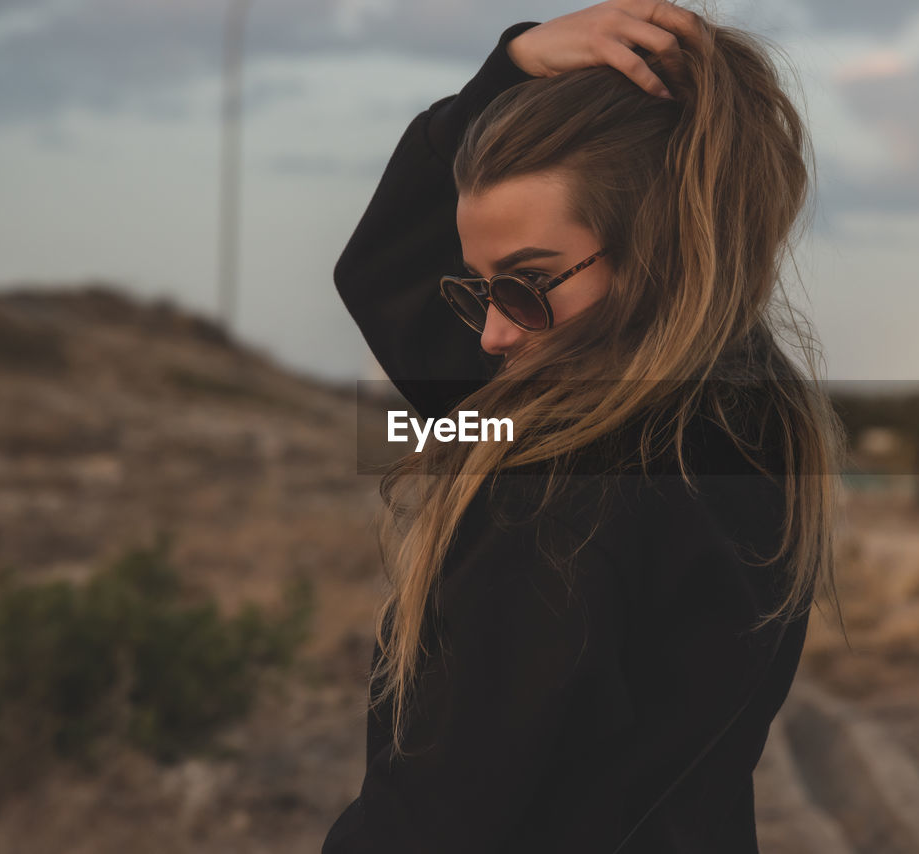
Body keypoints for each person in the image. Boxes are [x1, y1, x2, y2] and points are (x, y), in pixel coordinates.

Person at [322, 1, 846, 851]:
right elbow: (390, 267)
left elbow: (436, 823)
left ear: (662, 254)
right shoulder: (758, 422)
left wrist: (510, 67)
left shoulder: (563, 495)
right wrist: (513, 73)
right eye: (478, 287)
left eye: (526, 283)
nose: (492, 333)